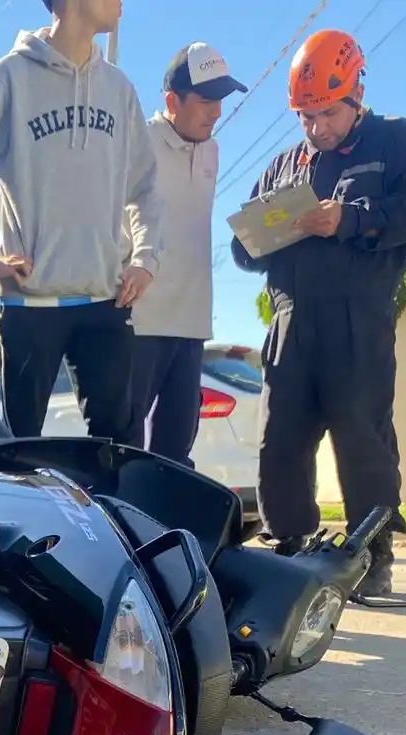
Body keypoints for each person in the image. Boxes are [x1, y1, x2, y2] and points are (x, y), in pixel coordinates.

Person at [230, 28, 406, 594]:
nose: (316, 128)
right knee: (281, 442)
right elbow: (241, 248)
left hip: (358, 317)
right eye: (305, 117)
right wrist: (261, 234)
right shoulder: (283, 167)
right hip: (291, 321)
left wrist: (347, 218)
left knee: (361, 436)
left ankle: (373, 556)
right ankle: (290, 554)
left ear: (355, 94)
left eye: (326, 114)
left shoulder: (398, 145)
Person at [0, 0, 163, 444]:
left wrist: (145, 258)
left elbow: (147, 187)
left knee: (118, 457)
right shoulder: (9, 79)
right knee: (18, 460)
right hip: (29, 307)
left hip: (103, 301)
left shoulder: (118, 89)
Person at [123, 43, 247, 467]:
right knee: (124, 446)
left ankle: (168, 532)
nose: (216, 113)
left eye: (221, 102)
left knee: (176, 450)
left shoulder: (211, 149)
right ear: (172, 101)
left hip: (192, 324)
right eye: (207, 101)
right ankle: (120, 532)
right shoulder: (136, 142)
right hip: (140, 321)